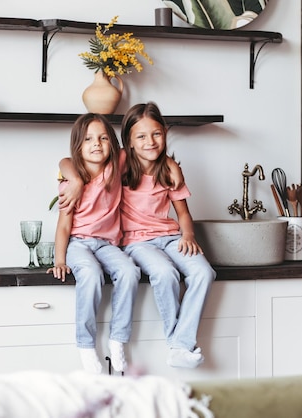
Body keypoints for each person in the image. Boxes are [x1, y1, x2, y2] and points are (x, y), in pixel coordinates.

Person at [120, 102, 216, 369]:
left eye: (156, 134)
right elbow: (71, 162)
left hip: (170, 236)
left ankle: (179, 345)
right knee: (164, 273)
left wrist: (187, 235)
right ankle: (179, 343)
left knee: (203, 273)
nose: (150, 142)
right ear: (129, 141)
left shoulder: (170, 168)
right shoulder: (121, 163)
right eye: (141, 136)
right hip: (137, 241)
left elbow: (183, 213)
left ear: (164, 133)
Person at [48, 113, 141, 374]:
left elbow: (135, 144)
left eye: (102, 138)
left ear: (111, 143)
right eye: (88, 139)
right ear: (78, 146)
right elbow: (64, 224)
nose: (96, 144)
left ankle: (118, 339)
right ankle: (86, 346)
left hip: (108, 245)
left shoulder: (116, 166)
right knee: (90, 274)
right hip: (78, 244)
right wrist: (60, 260)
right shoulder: (71, 182)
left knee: (129, 271)